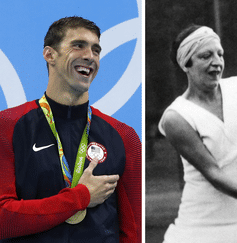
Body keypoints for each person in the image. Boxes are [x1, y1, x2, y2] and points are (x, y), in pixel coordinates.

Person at [0, 16, 141, 242]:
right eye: (78, 45)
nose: (90, 56)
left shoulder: (124, 136)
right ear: (49, 54)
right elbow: (3, 219)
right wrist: (80, 197)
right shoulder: (7, 125)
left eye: (96, 50)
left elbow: (134, 230)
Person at [158, 24, 237, 243]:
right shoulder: (176, 117)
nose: (217, 62)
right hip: (201, 227)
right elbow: (213, 173)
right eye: (206, 56)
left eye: (220, 54)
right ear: (186, 64)